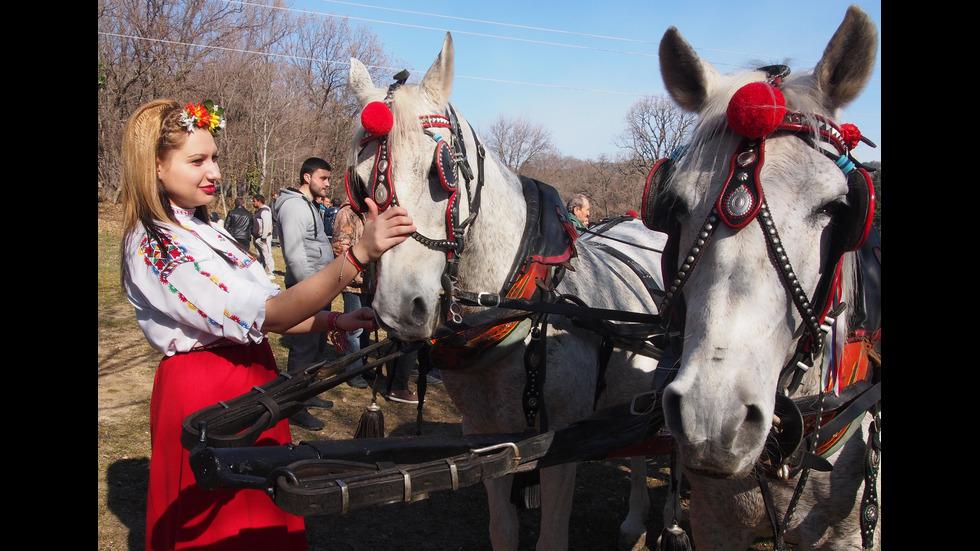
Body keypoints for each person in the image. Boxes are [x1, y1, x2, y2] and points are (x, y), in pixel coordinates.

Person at [119, 99, 415, 551]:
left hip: (253, 382)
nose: (214, 171)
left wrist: (335, 318)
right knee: (222, 524)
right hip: (207, 392)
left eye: (214, 157)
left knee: (260, 517)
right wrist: (358, 256)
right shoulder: (156, 244)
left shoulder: (207, 228)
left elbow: (268, 312)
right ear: (155, 167)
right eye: (197, 161)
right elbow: (271, 315)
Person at [273, 157, 339, 430]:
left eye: (328, 178)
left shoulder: (311, 206)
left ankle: (307, 395)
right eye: (323, 178)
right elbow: (295, 254)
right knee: (303, 350)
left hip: (318, 289)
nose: (327, 183)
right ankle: (292, 406)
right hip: (306, 290)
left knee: (317, 347)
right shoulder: (294, 208)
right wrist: (308, 293)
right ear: (306, 177)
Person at [331, 202, 372, 389]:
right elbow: (340, 246)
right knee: (354, 330)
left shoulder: (370, 213)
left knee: (367, 328)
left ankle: (362, 366)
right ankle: (352, 370)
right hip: (354, 283)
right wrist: (354, 273)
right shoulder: (347, 213)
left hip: (370, 284)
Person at [252, 194, 275, 279]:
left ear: (259, 201)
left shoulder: (265, 211)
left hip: (264, 238)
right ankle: (261, 270)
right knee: (259, 255)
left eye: (254, 201)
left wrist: (264, 237)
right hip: (257, 237)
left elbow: (267, 225)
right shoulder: (258, 211)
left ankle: (271, 272)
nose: (253, 203)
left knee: (267, 255)